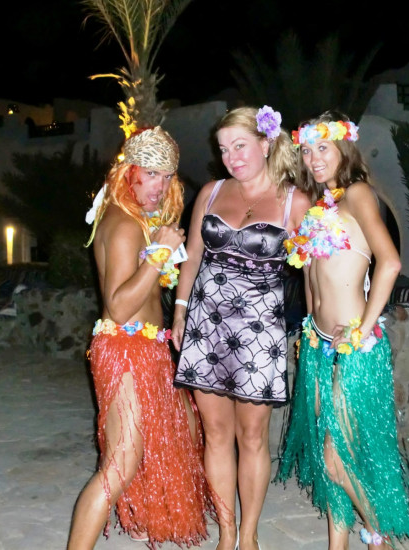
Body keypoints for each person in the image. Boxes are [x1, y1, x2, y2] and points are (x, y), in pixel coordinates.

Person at [275, 112, 409, 549]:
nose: (313, 158)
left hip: (353, 348)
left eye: (322, 148)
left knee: (336, 458)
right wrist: (309, 330)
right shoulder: (320, 206)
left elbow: (391, 262)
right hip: (318, 344)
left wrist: (363, 329)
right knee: (328, 455)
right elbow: (311, 278)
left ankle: (379, 536)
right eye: (306, 151)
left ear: (344, 148)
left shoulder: (358, 193)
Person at [67, 127, 213, 550]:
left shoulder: (138, 220)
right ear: (128, 171)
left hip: (147, 345)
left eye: (166, 177)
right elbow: (117, 306)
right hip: (125, 349)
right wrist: (159, 255)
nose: (159, 186)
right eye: (150, 174)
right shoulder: (125, 224)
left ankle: (147, 519)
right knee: (120, 463)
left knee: (180, 428)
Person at [172, 106, 311, 550]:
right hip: (205, 327)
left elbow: (316, 272)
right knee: (215, 435)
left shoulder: (294, 202)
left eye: (240, 146)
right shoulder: (211, 192)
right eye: (223, 149)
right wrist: (179, 311)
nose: (231, 157)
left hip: (259, 333)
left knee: (252, 437)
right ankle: (226, 532)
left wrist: (323, 325)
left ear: (265, 144)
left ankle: (249, 535)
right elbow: (193, 257)